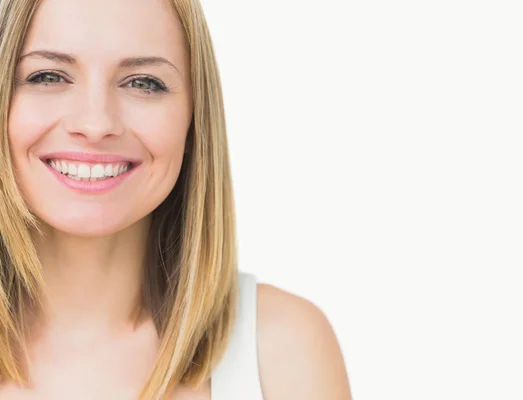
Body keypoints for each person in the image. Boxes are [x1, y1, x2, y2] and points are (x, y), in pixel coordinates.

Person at [0, 0, 352, 398]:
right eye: (48, 76)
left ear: (192, 120)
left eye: (143, 83)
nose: (96, 123)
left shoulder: (280, 348)